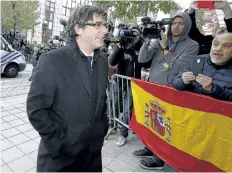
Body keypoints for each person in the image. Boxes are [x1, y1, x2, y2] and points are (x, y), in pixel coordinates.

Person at [26, 5, 109, 172]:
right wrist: (61, 143)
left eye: (106, 25)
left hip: (92, 157)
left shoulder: (102, 62)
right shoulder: (51, 60)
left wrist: (101, 130)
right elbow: (36, 109)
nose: (105, 30)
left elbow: (101, 102)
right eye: (98, 25)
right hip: (60, 160)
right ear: (78, 28)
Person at [135, 12, 199, 170]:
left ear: (187, 25)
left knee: (165, 127)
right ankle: (150, 147)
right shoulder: (162, 39)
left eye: (180, 23)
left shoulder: (192, 45)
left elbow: (179, 68)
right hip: (153, 88)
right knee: (151, 121)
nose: (176, 26)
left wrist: (165, 49)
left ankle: (159, 158)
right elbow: (142, 59)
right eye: (174, 23)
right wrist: (147, 41)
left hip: (171, 92)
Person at [172, 32, 232, 101]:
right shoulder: (196, 60)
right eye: (216, 44)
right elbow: (175, 84)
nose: (218, 49)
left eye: (226, 46)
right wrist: (183, 81)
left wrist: (212, 88)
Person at [109, 27, 143, 147]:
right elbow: (112, 62)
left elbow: (142, 61)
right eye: (131, 34)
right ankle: (112, 124)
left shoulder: (140, 48)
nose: (133, 37)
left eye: (136, 34)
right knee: (115, 104)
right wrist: (119, 46)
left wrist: (136, 44)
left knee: (128, 108)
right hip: (120, 80)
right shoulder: (121, 48)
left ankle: (123, 134)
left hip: (132, 83)